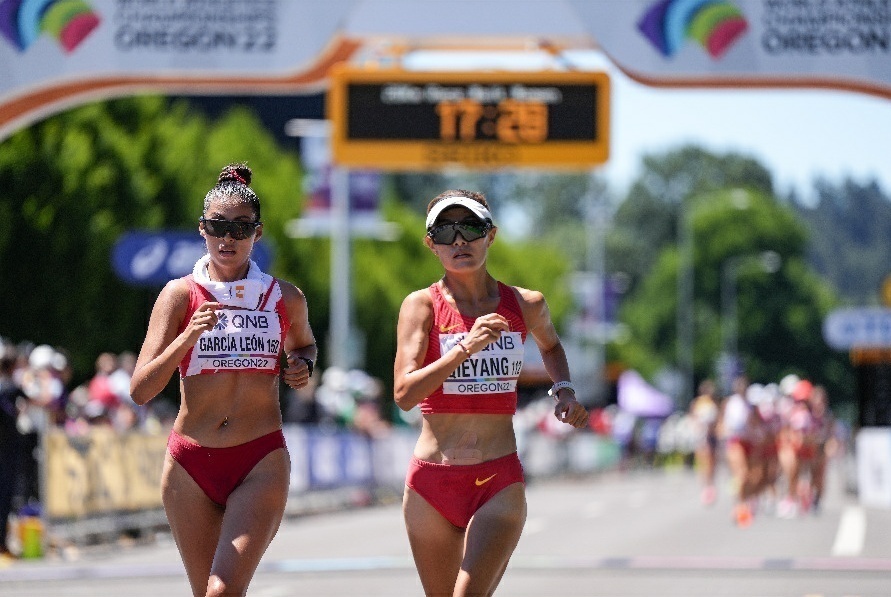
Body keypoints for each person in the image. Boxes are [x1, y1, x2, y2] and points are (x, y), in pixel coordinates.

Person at [130, 163, 317, 597]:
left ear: (258, 232)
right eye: (218, 226)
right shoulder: (179, 294)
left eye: (241, 227)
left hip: (259, 459)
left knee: (222, 590)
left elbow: (305, 346)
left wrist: (302, 366)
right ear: (202, 229)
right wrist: (188, 337)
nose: (228, 238)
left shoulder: (284, 297)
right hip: (190, 463)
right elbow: (140, 390)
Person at [393, 189, 589, 596]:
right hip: (431, 483)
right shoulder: (421, 307)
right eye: (445, 232)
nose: (459, 241)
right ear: (431, 244)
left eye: (470, 228)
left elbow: (550, 345)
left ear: (491, 235)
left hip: (496, 478)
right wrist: (466, 346)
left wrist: (565, 390)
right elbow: (404, 394)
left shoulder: (525, 304)